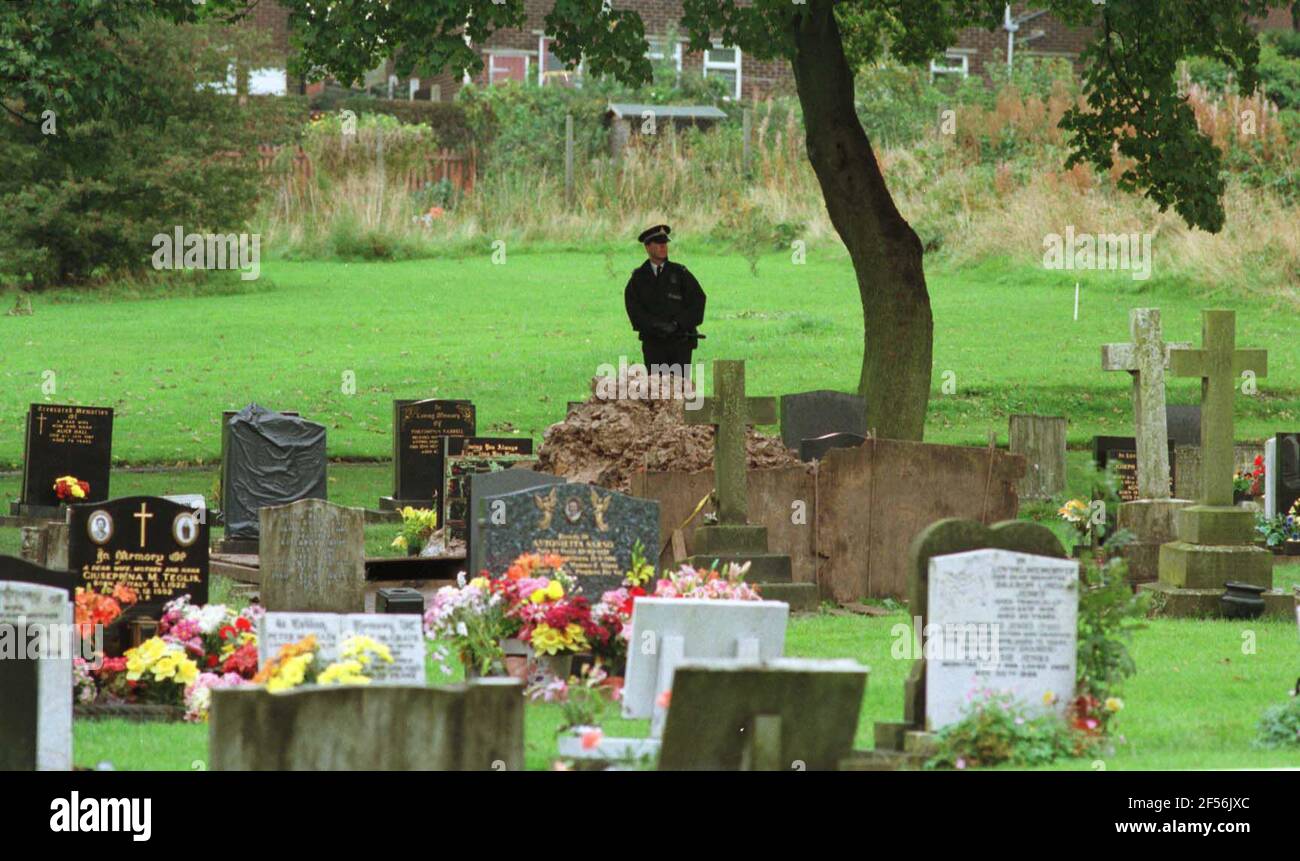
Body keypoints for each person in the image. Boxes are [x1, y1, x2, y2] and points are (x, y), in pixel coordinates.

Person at [624, 224, 706, 370]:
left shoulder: (681, 273)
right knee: (656, 389)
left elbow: (698, 301)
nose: (663, 247)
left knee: (679, 389)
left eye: (665, 243)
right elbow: (634, 309)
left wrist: (677, 324)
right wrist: (655, 326)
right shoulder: (639, 278)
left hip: (680, 343)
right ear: (647, 247)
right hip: (654, 345)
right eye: (658, 243)